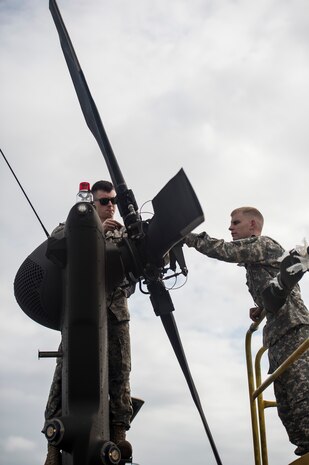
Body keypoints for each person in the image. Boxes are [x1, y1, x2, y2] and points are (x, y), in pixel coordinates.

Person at [184, 206, 309, 456]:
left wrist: (187, 237)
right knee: (286, 406)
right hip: (276, 338)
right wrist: (260, 307)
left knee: (302, 399)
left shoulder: (261, 244)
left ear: (252, 225)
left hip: (295, 332)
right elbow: (274, 291)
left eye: (236, 222)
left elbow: (225, 251)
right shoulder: (253, 262)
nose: (230, 228)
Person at [43, 180, 133, 465]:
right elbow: (55, 239)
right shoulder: (75, 222)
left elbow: (147, 256)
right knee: (64, 378)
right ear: (92, 203)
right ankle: (54, 447)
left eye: (112, 201)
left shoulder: (123, 233)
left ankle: (119, 435)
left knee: (120, 372)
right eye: (104, 201)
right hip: (79, 316)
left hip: (115, 315)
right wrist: (93, 230)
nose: (110, 206)